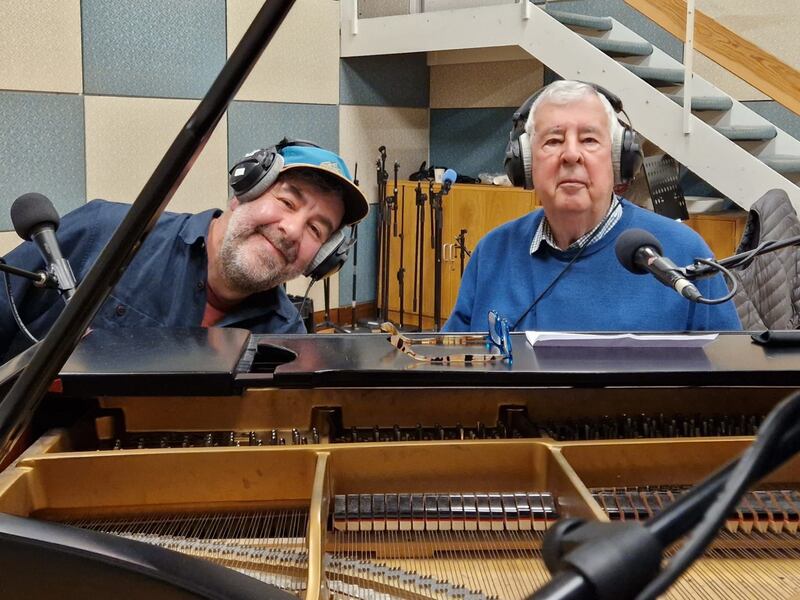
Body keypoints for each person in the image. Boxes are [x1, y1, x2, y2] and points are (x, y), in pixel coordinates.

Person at [0, 141, 369, 360]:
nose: (291, 230)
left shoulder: (284, 339)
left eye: (315, 229)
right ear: (245, 191)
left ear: (321, 258)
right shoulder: (105, 232)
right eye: (288, 202)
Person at [443, 80, 741, 332]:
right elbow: (451, 373)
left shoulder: (682, 253)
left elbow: (732, 383)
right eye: (553, 141)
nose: (571, 155)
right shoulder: (492, 254)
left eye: (588, 140)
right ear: (526, 163)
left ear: (618, 160)